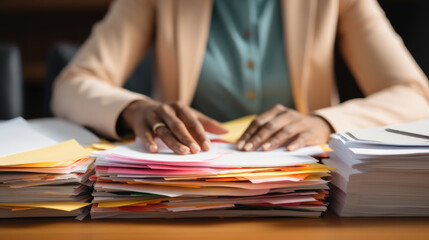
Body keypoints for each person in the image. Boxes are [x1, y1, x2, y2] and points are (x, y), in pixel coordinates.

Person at [51, 0, 429, 155]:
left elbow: (415, 94)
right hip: (187, 189)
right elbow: (72, 84)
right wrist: (135, 109)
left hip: (312, 189)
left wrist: (324, 122)